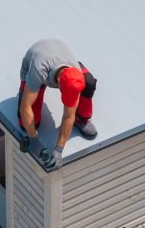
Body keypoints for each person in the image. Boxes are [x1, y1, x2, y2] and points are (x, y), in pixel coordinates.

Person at [18, 39, 97, 170]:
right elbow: (25, 107)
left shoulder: (75, 72)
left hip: (60, 55)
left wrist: (59, 150)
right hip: (36, 61)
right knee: (27, 124)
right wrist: (33, 140)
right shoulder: (38, 71)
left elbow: (68, 115)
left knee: (89, 82)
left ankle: (82, 118)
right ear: (59, 82)